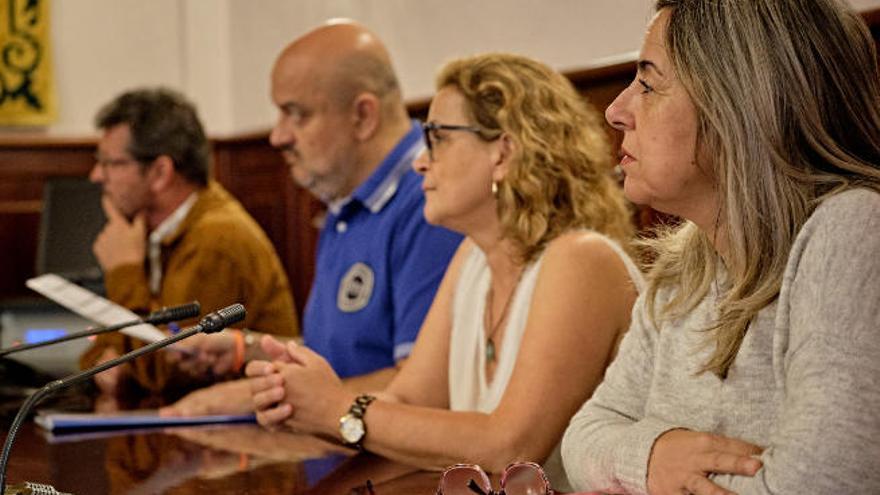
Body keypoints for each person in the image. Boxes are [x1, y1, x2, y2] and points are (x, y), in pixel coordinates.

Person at [247, 52, 642, 491]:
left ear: (503, 153)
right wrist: (301, 399)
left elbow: (510, 446)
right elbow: (407, 401)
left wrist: (337, 409)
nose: (420, 161)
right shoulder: (473, 260)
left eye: (437, 138)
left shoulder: (581, 259)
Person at [561, 1, 880, 493]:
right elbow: (583, 439)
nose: (615, 110)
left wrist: (642, 462)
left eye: (647, 84)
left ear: (739, 102)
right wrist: (652, 456)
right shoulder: (684, 267)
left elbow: (815, 486)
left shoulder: (852, 228)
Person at [169, 20, 463, 402]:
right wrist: (247, 349)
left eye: (297, 114)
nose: (278, 136)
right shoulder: (345, 200)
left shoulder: (430, 201)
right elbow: (344, 358)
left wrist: (256, 397)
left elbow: (426, 390)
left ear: (363, 116)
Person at [79, 87, 298, 405]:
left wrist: (123, 272)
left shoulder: (216, 239)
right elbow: (101, 348)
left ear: (159, 172)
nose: (96, 175)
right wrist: (102, 359)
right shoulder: (152, 232)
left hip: (239, 437)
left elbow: (164, 373)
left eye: (111, 163)